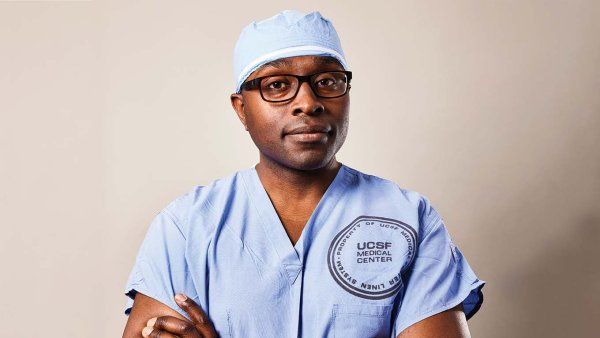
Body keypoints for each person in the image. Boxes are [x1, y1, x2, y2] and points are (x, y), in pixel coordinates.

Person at [121, 9, 486, 338]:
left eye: (327, 81)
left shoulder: (409, 220)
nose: (308, 102)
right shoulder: (186, 228)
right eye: (277, 85)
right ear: (242, 109)